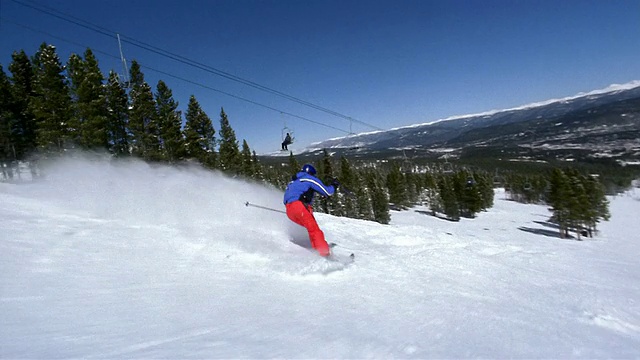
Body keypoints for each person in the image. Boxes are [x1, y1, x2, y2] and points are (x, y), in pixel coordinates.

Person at [283, 164, 340, 257]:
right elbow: (328, 192)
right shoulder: (309, 178)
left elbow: (294, 195)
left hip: (289, 211)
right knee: (314, 230)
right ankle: (324, 254)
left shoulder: (293, 182)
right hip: (299, 207)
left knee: (311, 228)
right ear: (311, 173)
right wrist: (334, 185)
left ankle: (318, 250)